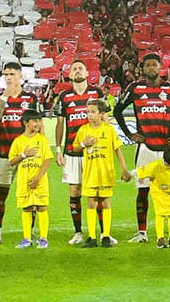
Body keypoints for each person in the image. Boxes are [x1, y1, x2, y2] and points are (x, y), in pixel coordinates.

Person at [114, 53, 170, 243]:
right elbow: (117, 111)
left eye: (154, 65)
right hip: (145, 148)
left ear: (160, 67)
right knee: (143, 191)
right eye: (147, 65)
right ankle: (142, 233)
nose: (151, 68)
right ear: (142, 69)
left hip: (167, 149)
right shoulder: (135, 88)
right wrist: (129, 134)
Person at [0, 61, 43, 245]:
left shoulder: (30, 98)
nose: (9, 78)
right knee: (1, 194)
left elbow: (39, 125)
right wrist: (4, 98)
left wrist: (41, 149)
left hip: (28, 155)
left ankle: (29, 233)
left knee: (30, 195)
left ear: (20, 76)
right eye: (6, 75)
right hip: (5, 154)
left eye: (12, 74)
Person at [52, 58, 104, 244]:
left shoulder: (97, 93)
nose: (78, 71)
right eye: (74, 69)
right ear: (70, 74)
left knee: (97, 192)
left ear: (87, 73)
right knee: (75, 191)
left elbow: (105, 119)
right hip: (72, 151)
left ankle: (104, 233)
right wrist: (58, 150)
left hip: (95, 150)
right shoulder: (64, 97)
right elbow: (60, 125)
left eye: (81, 68)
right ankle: (78, 232)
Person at [72, 99, 132, 248]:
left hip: (106, 172)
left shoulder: (109, 130)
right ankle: (92, 237)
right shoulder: (83, 130)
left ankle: (106, 236)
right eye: (88, 112)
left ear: (101, 114)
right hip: (90, 172)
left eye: (93, 112)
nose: (89, 115)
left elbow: (118, 150)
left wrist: (124, 169)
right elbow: (75, 148)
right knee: (91, 203)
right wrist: (84, 144)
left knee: (105, 202)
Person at [9, 109, 53, 249]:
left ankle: (43, 239)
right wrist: (24, 155)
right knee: (26, 208)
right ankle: (27, 239)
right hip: (24, 180)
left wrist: (38, 178)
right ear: (26, 123)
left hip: (40, 181)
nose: (38, 123)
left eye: (39, 120)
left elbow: (47, 160)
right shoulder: (18, 141)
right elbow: (12, 161)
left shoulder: (42, 140)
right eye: (35, 121)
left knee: (41, 207)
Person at [137, 145, 170, 248]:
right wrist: (133, 175)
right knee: (160, 215)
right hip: (159, 197)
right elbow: (140, 171)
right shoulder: (155, 166)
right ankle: (160, 238)